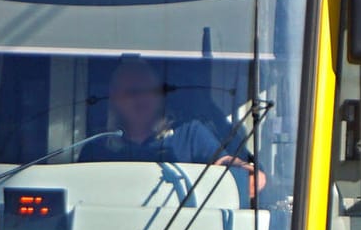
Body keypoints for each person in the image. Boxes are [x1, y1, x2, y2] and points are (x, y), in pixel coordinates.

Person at [79, 56, 266, 194]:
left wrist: (243, 168)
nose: (140, 98)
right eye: (131, 92)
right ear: (115, 99)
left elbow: (221, 160)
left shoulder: (190, 134)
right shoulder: (96, 148)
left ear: (160, 96)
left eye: (148, 90)